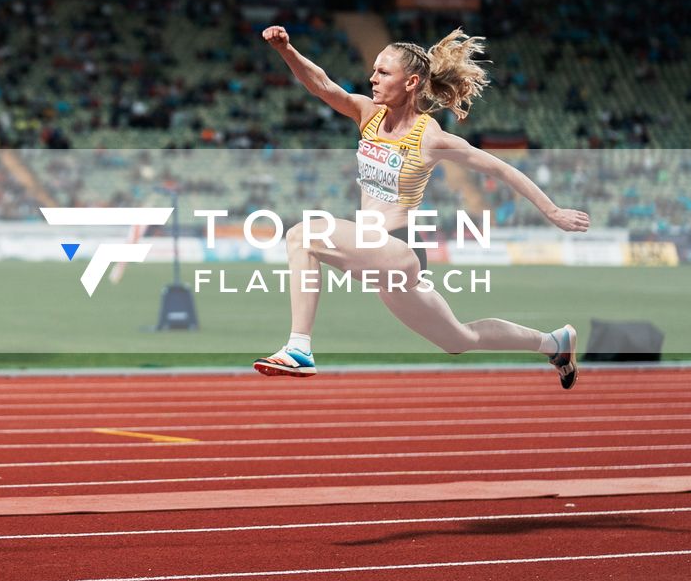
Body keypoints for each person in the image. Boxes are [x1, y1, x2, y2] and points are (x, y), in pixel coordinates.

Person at [253, 25, 590, 388]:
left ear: (411, 82)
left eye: (383, 72)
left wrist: (552, 211)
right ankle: (554, 343)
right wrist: (287, 50)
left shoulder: (431, 137)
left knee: (303, 236)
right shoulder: (368, 114)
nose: (372, 78)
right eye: (374, 70)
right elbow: (322, 85)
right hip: (377, 255)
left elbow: (501, 168)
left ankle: (299, 347)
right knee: (459, 340)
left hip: (400, 249)